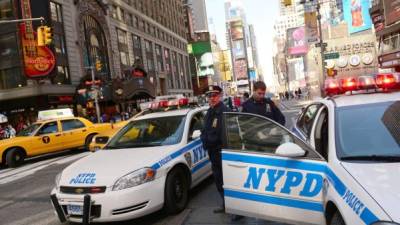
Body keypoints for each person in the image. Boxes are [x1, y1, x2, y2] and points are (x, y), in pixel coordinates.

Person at [200, 85, 230, 214]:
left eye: (215, 95)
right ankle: (225, 205)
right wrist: (204, 141)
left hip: (222, 153)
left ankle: (234, 209)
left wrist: (210, 142)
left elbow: (222, 135)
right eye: (209, 96)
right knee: (219, 181)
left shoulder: (224, 111)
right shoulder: (209, 112)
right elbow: (205, 131)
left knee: (227, 181)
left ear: (220, 96)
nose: (212, 98)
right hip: (213, 153)